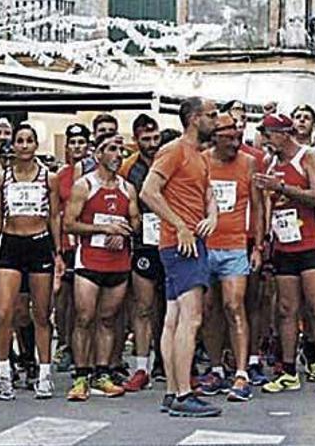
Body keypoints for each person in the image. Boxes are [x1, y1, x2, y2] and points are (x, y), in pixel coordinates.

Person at [140, 97, 220, 418]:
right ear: (194, 118)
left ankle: (173, 391)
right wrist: (180, 226)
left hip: (186, 242)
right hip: (181, 244)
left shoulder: (198, 156)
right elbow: (148, 191)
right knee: (191, 318)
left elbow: (207, 193)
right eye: (212, 116)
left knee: (174, 318)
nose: (216, 121)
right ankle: (184, 392)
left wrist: (212, 215)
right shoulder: (174, 150)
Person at [255, 114, 315, 396]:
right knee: (286, 309)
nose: (264, 140)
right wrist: (264, 240)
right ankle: (288, 370)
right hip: (284, 243)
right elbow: (267, 205)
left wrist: (282, 188)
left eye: (267, 134)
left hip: (313, 241)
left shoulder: (309, 156)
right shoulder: (269, 163)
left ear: (282, 134)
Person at [0, 124, 64, 400]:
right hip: (10, 244)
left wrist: (58, 252)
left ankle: (44, 374)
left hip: (39, 243)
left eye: (28, 141)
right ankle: (5, 372)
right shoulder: (2, 178)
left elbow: (55, 216)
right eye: (19, 140)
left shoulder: (48, 178)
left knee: (41, 314)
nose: (23, 145)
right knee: (3, 311)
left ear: (35, 145)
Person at [64, 134, 138, 401]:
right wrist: (103, 227)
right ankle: (81, 375)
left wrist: (125, 232)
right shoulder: (84, 185)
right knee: (84, 317)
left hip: (118, 260)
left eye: (120, 150)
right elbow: (69, 224)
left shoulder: (127, 188)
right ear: (98, 154)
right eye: (111, 149)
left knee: (108, 319)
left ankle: (102, 373)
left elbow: (136, 222)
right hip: (90, 259)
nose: (118, 154)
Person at [197, 114, 265, 402]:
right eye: (229, 139)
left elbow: (259, 207)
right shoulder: (200, 161)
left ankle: (241, 373)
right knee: (209, 309)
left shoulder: (248, 163)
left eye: (238, 138)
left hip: (235, 245)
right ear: (215, 136)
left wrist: (258, 246)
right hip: (204, 245)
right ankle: (215, 369)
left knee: (234, 305)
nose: (236, 144)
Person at [119, 114, 166, 391]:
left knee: (172, 306)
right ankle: (141, 366)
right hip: (143, 242)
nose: (151, 143)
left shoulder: (167, 160)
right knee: (144, 306)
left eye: (155, 138)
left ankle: (168, 360)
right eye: (145, 139)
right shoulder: (128, 168)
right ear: (136, 140)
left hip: (171, 240)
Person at [54, 123, 91, 373]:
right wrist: (56, 248)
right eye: (73, 142)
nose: (77, 147)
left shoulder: (95, 173)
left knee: (85, 303)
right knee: (63, 299)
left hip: (89, 243)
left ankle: (86, 352)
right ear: (67, 146)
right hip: (67, 243)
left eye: (81, 142)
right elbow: (55, 213)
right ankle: (65, 345)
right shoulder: (60, 176)